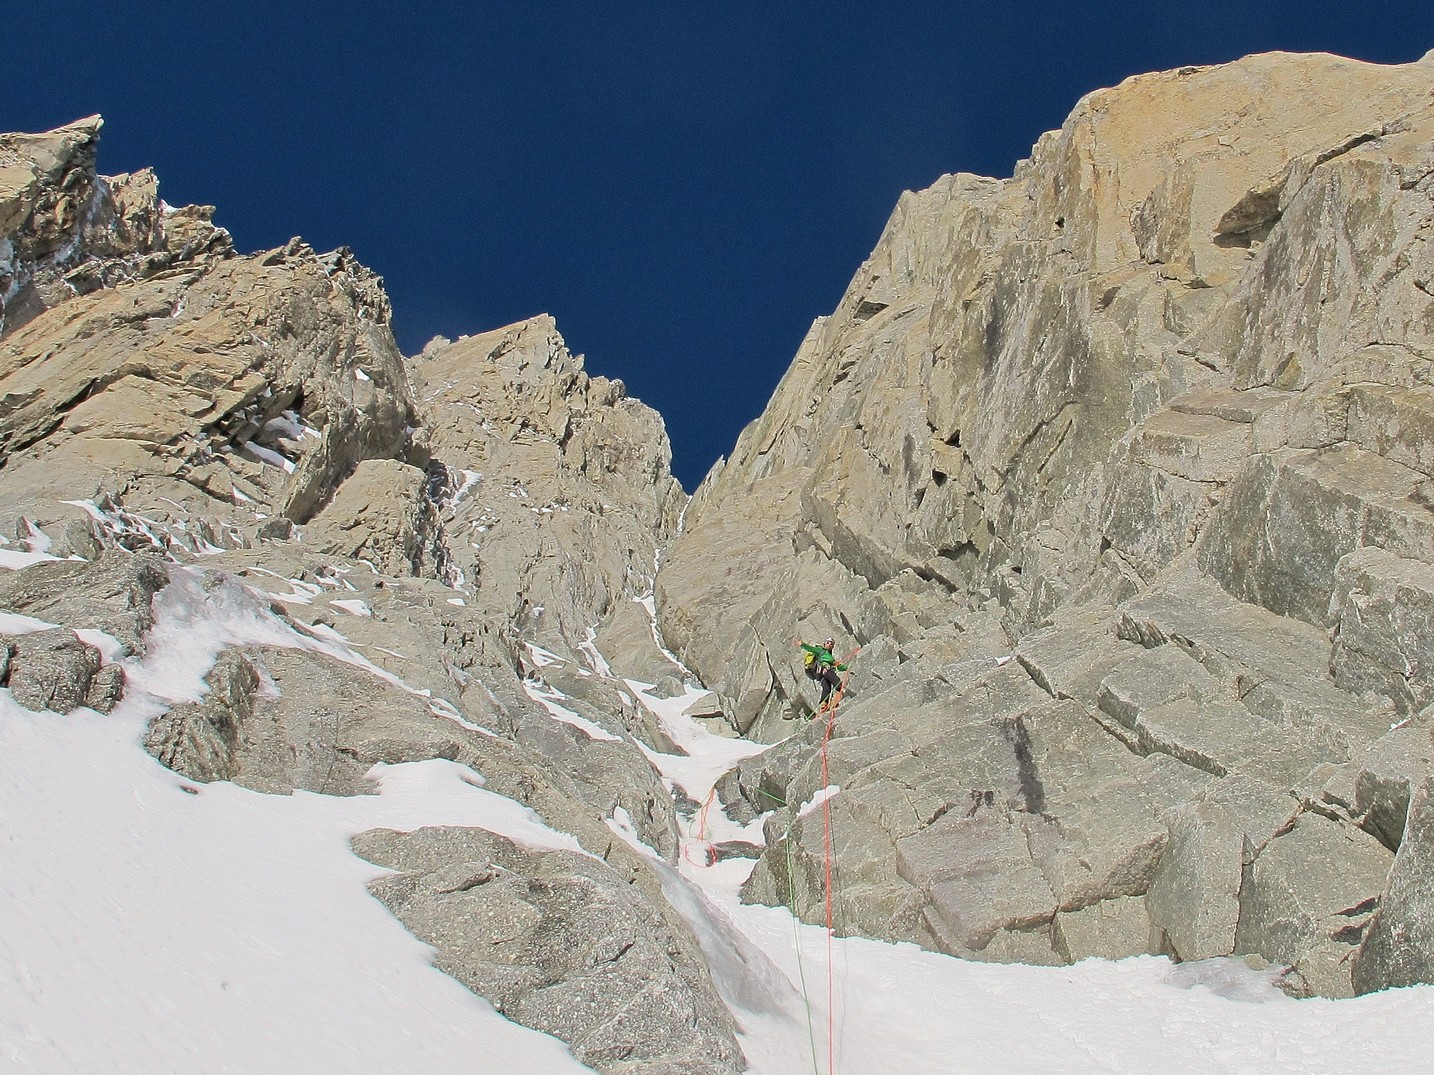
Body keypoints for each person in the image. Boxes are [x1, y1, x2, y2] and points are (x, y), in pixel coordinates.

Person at [799, 637, 848, 711]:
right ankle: (839, 686)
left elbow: (838, 666)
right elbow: (810, 648)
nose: (829, 645)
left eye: (831, 644)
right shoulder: (820, 650)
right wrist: (802, 644)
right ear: (824, 644)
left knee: (826, 686)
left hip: (820, 675)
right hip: (822, 669)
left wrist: (846, 668)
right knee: (829, 672)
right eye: (828, 643)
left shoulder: (831, 658)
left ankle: (824, 704)